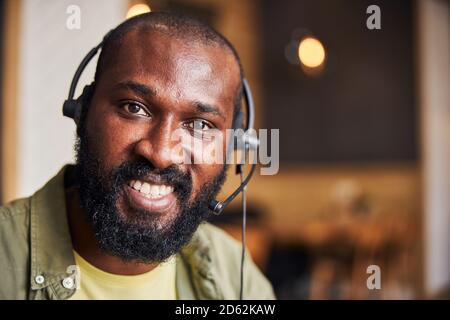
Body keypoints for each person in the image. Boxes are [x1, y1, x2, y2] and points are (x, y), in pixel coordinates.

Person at [0, 12, 275, 300]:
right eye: (134, 107)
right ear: (83, 111)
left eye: (200, 125)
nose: (161, 153)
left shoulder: (234, 273)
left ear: (234, 144)